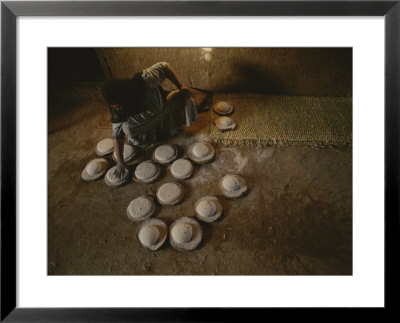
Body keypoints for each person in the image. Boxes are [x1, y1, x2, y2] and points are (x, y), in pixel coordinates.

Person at [102, 62, 198, 180]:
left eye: (118, 105)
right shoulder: (117, 112)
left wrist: (180, 86)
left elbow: (164, 66)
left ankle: (169, 128)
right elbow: (117, 136)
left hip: (162, 111)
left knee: (186, 97)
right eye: (113, 106)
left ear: (125, 97)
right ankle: (154, 134)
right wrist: (120, 163)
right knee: (127, 129)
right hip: (145, 127)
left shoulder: (145, 81)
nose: (116, 108)